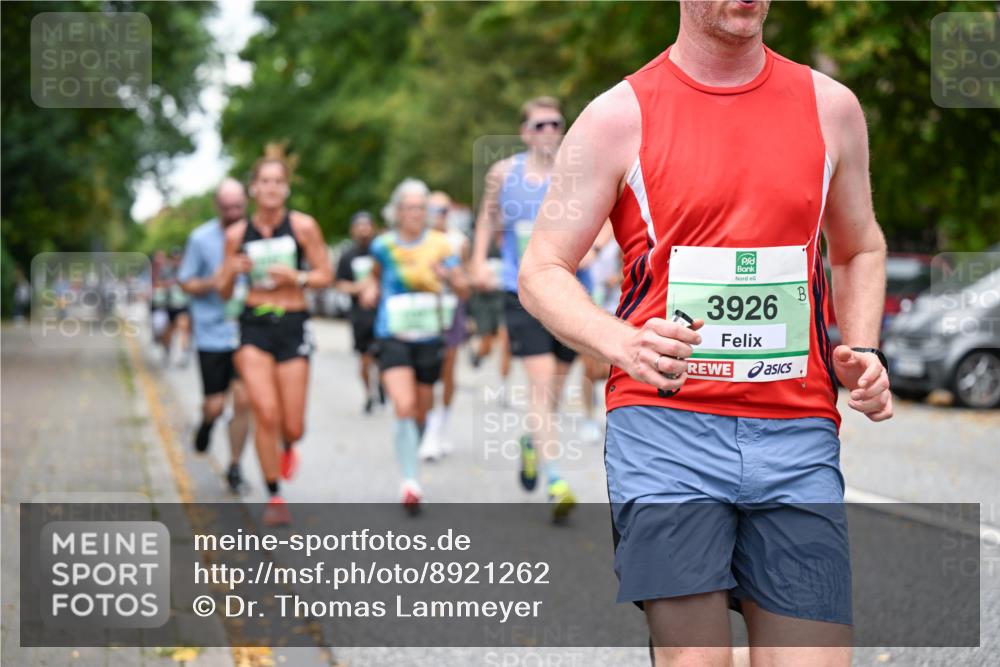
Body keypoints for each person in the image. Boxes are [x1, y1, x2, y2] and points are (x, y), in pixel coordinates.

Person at [518, 2, 893, 665]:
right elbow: (542, 267)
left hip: (796, 430)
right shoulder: (616, 117)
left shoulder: (831, 108)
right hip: (665, 431)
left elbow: (859, 246)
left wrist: (861, 346)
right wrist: (619, 340)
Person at [470, 96, 578, 520]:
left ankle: (533, 442)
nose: (548, 131)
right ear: (524, 133)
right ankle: (556, 480)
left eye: (555, 124)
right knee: (542, 385)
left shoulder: (576, 170)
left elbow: (604, 216)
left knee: (557, 389)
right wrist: (479, 260)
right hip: (523, 291)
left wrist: (600, 246)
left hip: (571, 291)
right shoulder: (504, 172)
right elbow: (487, 219)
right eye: (539, 125)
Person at [218, 150, 332, 527]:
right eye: (264, 181)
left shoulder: (303, 227)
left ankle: (289, 445)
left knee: (292, 424)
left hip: (293, 323)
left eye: (278, 182)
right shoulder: (236, 234)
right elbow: (221, 291)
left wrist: (296, 278)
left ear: (286, 188)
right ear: (253, 188)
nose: (271, 188)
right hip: (254, 325)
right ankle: (275, 494)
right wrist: (231, 269)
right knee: (263, 411)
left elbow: (325, 275)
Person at [359, 178, 468, 513]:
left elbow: (464, 289)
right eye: (410, 207)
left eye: (422, 207)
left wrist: (449, 276)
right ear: (397, 211)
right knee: (404, 405)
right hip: (392, 334)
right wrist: (369, 289)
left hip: (429, 335)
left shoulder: (441, 245)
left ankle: (411, 461)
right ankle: (410, 481)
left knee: (421, 411)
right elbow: (374, 276)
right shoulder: (383, 245)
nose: (416, 213)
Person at [179, 178, 253, 493]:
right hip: (212, 332)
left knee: (244, 401)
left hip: (247, 331)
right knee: (215, 404)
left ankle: (235, 466)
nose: (233, 212)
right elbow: (186, 282)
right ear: (217, 206)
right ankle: (207, 423)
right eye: (227, 207)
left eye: (238, 206)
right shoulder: (200, 239)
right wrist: (218, 280)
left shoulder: (257, 235)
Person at [418, 190, 468, 460]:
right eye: (433, 209)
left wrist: (448, 274)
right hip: (421, 312)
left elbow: (465, 287)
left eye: (443, 210)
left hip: (450, 311)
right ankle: (425, 427)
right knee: (424, 372)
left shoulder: (458, 242)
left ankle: (440, 427)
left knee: (448, 369)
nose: (438, 215)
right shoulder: (415, 239)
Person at [335, 210, 383, 414]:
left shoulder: (381, 252)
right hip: (360, 316)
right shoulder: (347, 256)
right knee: (364, 359)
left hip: (381, 313)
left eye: (367, 225)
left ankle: (383, 385)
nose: (364, 229)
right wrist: (359, 288)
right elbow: (339, 284)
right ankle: (368, 394)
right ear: (353, 230)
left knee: (384, 356)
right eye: (359, 225)